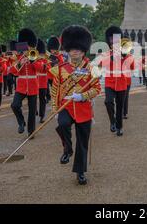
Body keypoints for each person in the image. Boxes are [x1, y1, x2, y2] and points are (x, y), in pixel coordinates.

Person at [51, 25, 101, 185]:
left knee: (83, 141)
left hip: (83, 108)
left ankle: (80, 172)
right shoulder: (60, 69)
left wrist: (82, 96)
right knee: (62, 124)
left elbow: (97, 89)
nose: (75, 51)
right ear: (67, 49)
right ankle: (67, 148)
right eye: (72, 49)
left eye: (78, 49)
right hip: (65, 106)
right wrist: (55, 110)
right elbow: (55, 90)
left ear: (83, 50)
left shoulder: (92, 69)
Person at [10, 28, 40, 137]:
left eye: (29, 45)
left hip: (33, 85)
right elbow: (12, 71)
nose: (27, 47)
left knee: (32, 110)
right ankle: (21, 122)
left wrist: (32, 61)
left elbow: (42, 68)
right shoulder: (18, 57)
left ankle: (31, 131)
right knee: (15, 105)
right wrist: (20, 63)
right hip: (21, 86)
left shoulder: (35, 55)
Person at [101, 26, 128, 136]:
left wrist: (124, 57)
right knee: (108, 101)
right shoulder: (106, 53)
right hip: (110, 82)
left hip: (121, 82)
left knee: (120, 106)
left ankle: (119, 127)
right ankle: (112, 121)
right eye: (111, 39)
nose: (113, 41)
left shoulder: (125, 53)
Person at [46, 36, 63, 102]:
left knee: (56, 91)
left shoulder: (59, 55)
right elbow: (46, 64)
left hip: (56, 76)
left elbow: (61, 64)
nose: (52, 51)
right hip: (49, 75)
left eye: (54, 49)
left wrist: (57, 64)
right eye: (51, 49)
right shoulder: (48, 56)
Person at [36, 39, 49, 123]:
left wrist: (44, 64)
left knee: (42, 99)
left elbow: (49, 68)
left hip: (43, 82)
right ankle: (34, 110)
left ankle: (42, 115)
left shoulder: (46, 59)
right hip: (35, 81)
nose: (40, 55)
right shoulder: (34, 58)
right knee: (32, 99)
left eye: (41, 53)